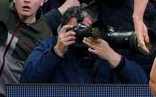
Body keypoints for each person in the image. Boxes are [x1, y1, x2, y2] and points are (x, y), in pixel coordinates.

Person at [20, 6, 148, 84]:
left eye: (86, 29)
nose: (82, 35)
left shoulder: (103, 46)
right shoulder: (50, 45)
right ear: (63, 29)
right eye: (76, 29)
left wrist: (113, 58)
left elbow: (141, 82)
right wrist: (56, 52)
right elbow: (26, 80)